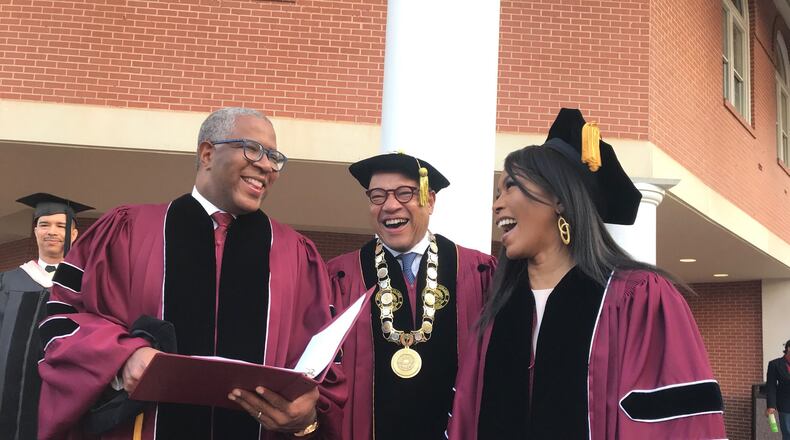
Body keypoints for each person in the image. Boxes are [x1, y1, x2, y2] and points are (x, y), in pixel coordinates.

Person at [37, 107, 345, 439]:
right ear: (208, 153)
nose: (267, 165)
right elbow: (63, 318)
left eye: (274, 157)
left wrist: (308, 412)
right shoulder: (128, 231)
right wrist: (123, 357)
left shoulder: (296, 255)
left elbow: (324, 361)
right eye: (253, 149)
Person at [447, 108, 726, 439]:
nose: (497, 205)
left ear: (561, 200)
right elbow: (467, 416)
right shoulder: (498, 307)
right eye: (497, 194)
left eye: (511, 187)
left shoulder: (638, 299)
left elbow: (674, 425)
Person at [327, 152, 496, 439]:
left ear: (429, 201)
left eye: (405, 193)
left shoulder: (478, 271)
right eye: (377, 196)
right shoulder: (340, 275)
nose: (390, 206)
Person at [0, 193, 92, 440]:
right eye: (44, 224)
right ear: (35, 231)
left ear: (74, 234)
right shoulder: (9, 280)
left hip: (64, 387)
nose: (52, 231)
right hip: (9, 391)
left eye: (61, 225)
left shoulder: (86, 284)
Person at [767, 339, 790, 439]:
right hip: (785, 404)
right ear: (788, 348)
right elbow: (771, 386)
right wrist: (771, 405)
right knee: (787, 433)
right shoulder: (775, 364)